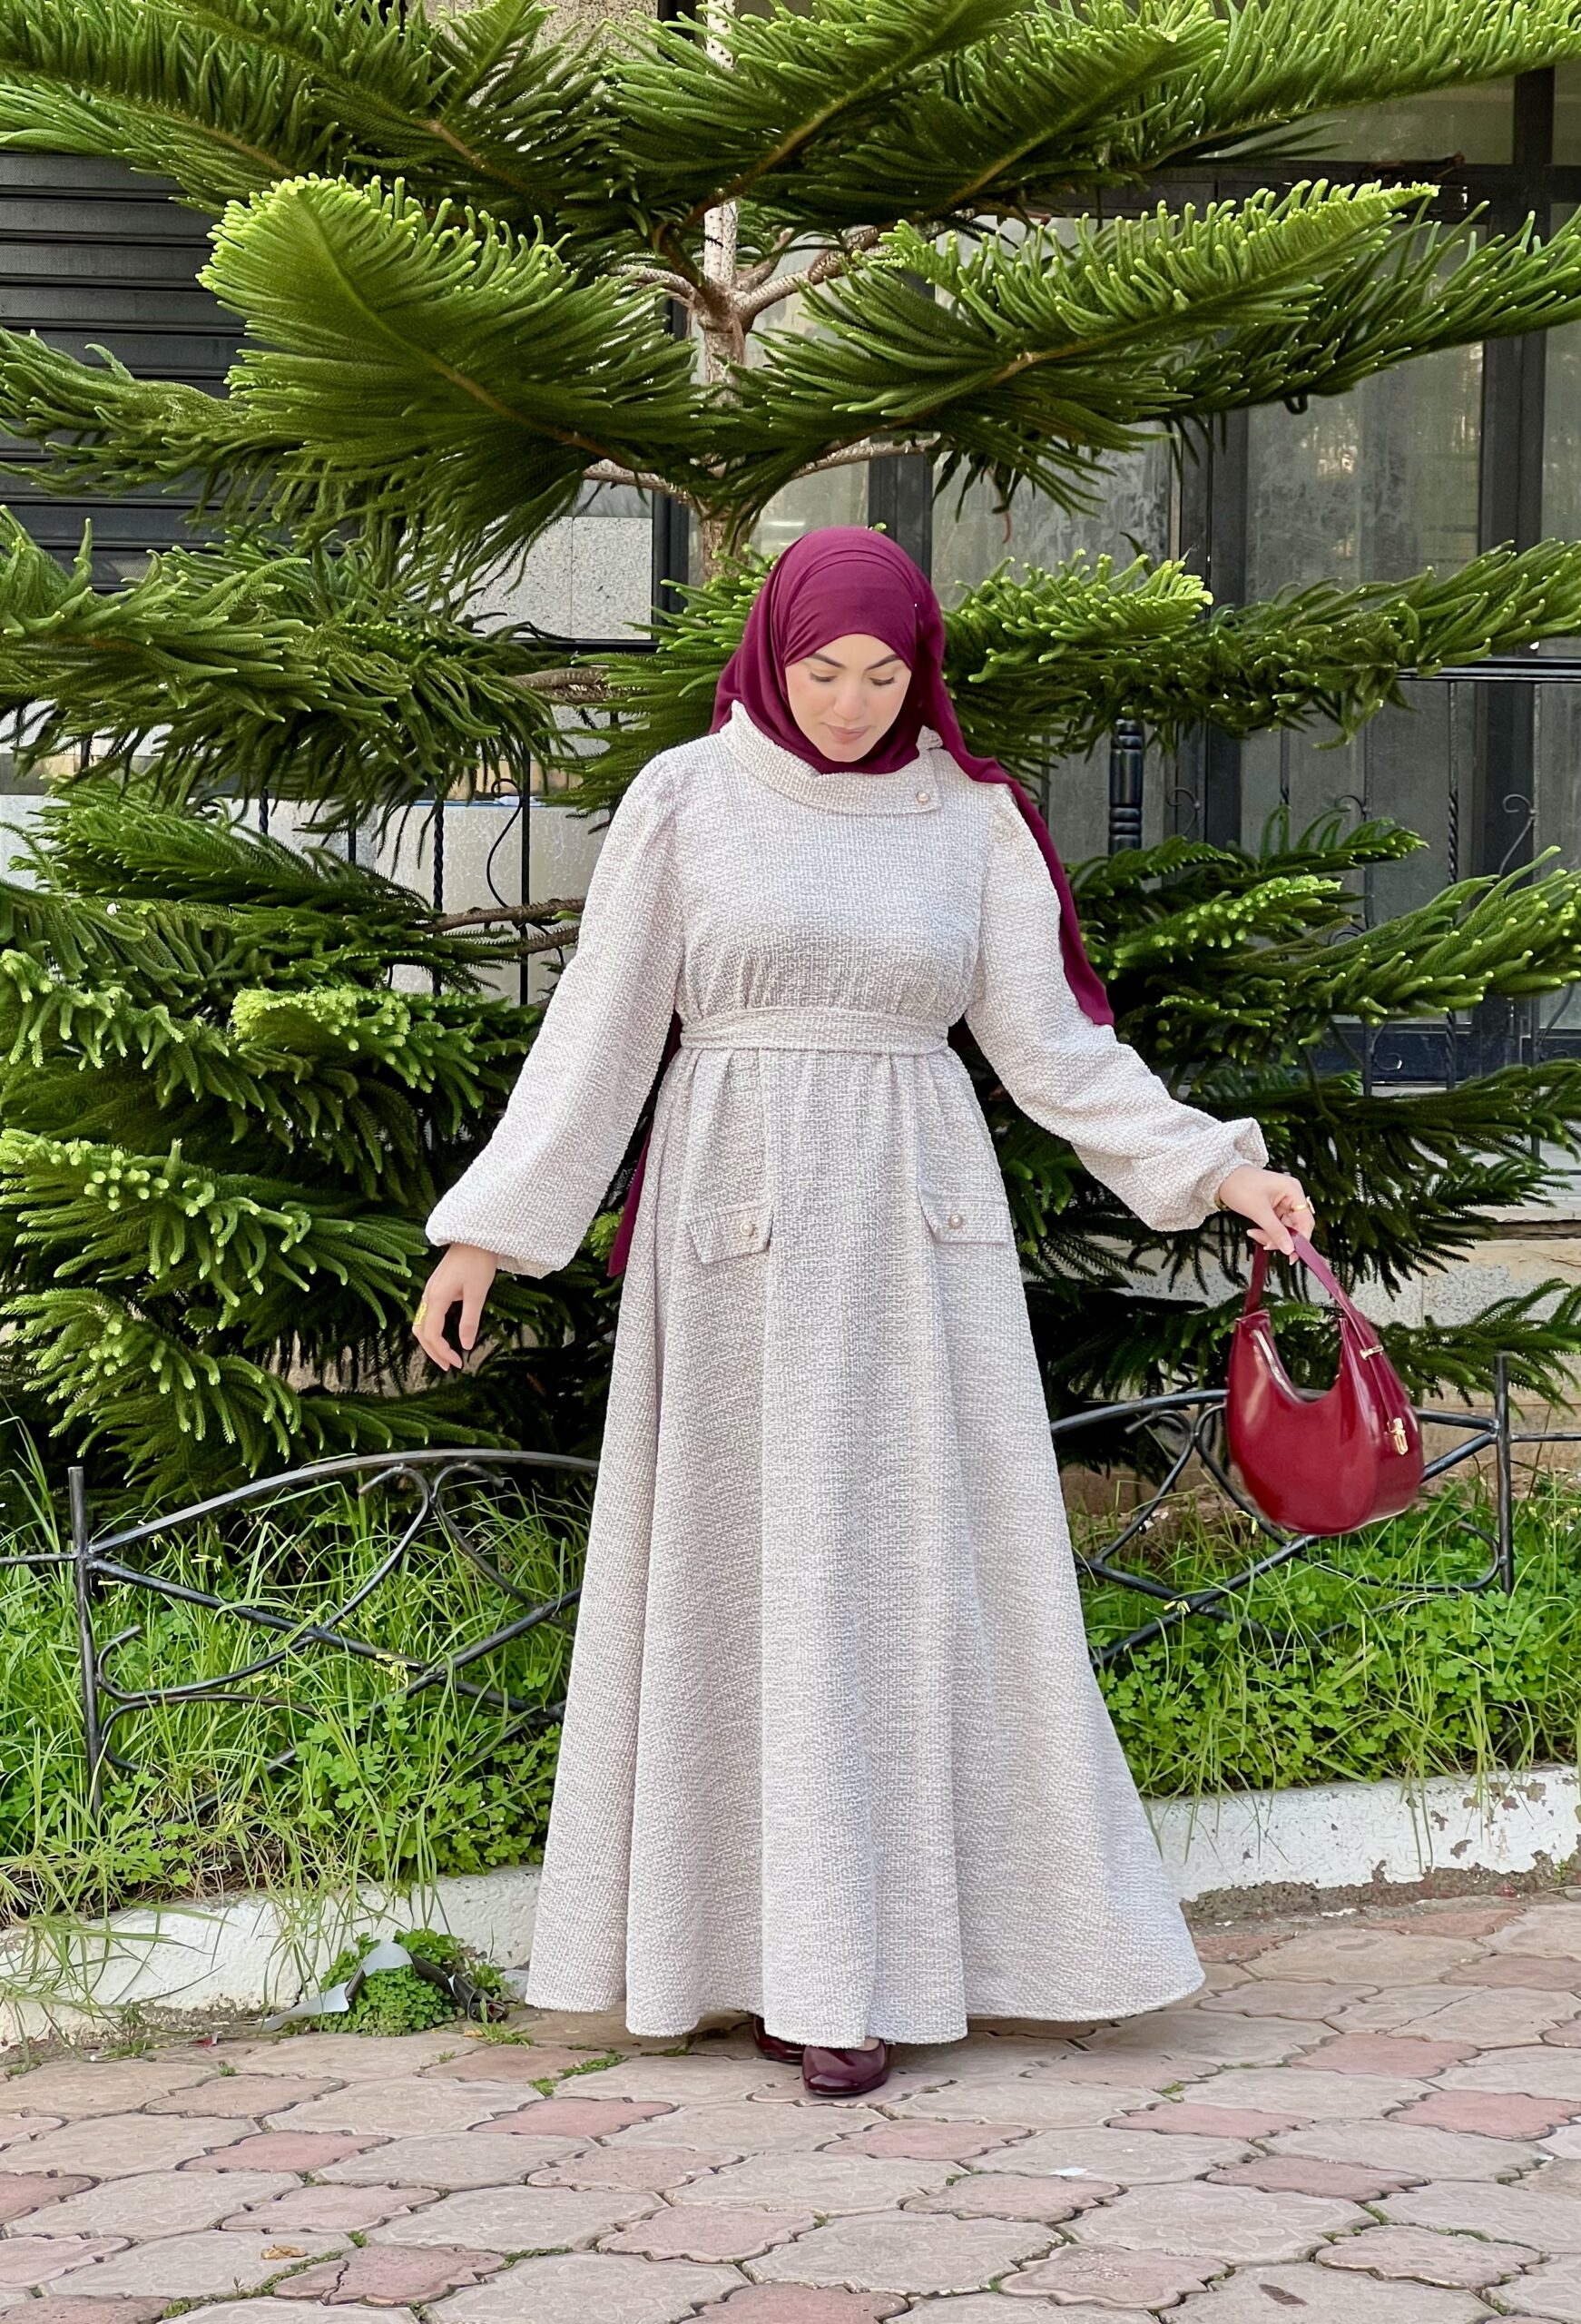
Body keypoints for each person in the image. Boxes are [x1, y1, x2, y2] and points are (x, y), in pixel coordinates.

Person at [412, 526, 1314, 2100]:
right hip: (734, 1242)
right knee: (743, 1581)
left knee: (917, 1583)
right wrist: (487, 1232)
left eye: (882, 674)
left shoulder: (972, 818)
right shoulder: (686, 800)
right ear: (771, 657)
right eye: (821, 670)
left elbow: (1055, 1050)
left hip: (917, 1244)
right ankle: (766, 1964)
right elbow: (599, 1032)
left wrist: (1216, 1169)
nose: (847, 702)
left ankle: (910, 1963)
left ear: (921, 672)